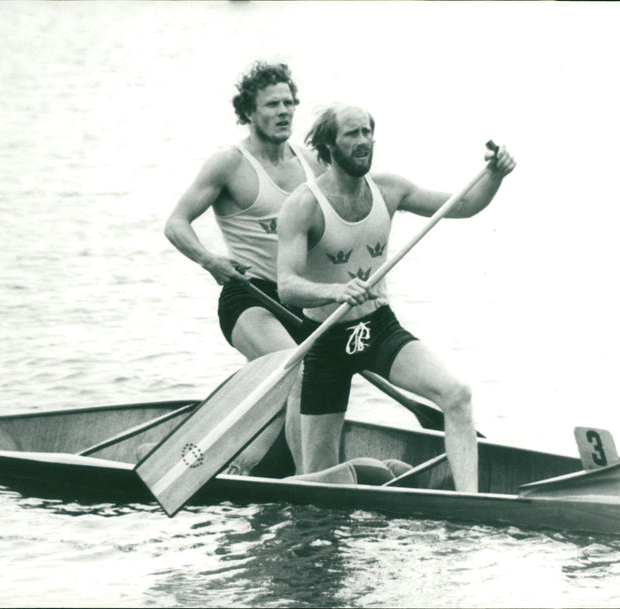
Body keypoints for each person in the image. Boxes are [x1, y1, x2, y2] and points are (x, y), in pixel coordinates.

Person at [277, 105, 516, 491]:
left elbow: (466, 205)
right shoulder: (303, 205)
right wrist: (335, 290)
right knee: (318, 484)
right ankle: (349, 484)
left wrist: (495, 175)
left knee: (456, 395)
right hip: (326, 341)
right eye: (352, 134)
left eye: (367, 133)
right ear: (328, 145)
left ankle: (470, 503)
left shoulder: (389, 189)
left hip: (378, 328)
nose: (363, 142)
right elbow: (287, 285)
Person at [164, 62, 324, 474]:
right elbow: (176, 223)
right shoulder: (230, 163)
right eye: (272, 104)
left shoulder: (310, 162)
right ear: (249, 112)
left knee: (315, 386)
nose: (284, 111)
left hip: (298, 302)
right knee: (298, 371)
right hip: (248, 297)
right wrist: (210, 260)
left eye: (289, 102)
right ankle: (312, 482)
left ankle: (253, 463)